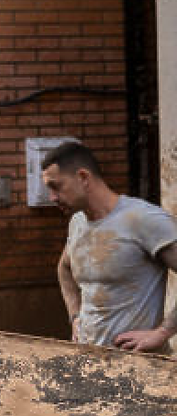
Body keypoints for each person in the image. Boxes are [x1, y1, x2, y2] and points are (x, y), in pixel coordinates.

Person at [43, 140, 177, 351]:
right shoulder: (77, 222)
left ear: (83, 177)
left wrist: (162, 333)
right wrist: (75, 316)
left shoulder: (143, 219)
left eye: (56, 187)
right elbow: (64, 269)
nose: (52, 197)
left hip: (139, 366)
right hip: (91, 361)